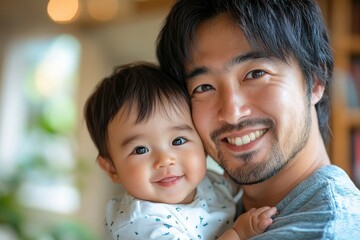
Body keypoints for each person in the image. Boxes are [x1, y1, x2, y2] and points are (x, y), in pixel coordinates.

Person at [156, 0, 360, 239]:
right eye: (203, 87)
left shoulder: (325, 230)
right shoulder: (196, 214)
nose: (232, 112)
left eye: (256, 74)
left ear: (315, 80)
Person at [84, 62, 277, 240]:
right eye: (140, 149)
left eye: (178, 140)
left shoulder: (209, 182)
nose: (165, 160)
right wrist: (238, 233)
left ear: (203, 143)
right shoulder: (141, 222)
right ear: (111, 169)